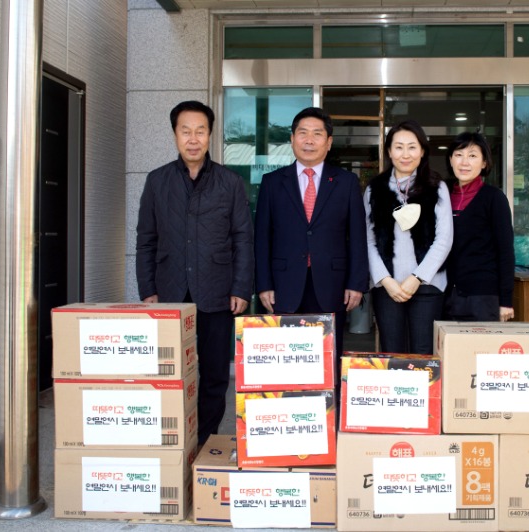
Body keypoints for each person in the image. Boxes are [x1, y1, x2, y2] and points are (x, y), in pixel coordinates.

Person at [136, 100, 253, 445]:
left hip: (217, 291)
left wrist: (241, 288)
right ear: (175, 135)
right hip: (169, 292)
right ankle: (173, 437)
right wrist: (147, 290)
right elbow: (146, 239)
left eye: (200, 131)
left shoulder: (230, 182)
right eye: (185, 131)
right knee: (169, 371)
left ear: (210, 135)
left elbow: (243, 239)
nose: (193, 139)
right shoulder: (157, 181)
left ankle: (204, 440)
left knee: (214, 373)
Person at [254, 106, 369, 369]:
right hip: (283, 285)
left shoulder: (346, 182)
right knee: (287, 360)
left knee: (327, 359)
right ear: (292, 139)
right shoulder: (272, 182)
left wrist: (356, 283)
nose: (309, 140)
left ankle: (329, 398)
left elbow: (357, 236)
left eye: (317, 134)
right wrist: (263, 284)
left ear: (328, 143)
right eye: (303, 133)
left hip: (331, 284)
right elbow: (262, 238)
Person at [364, 120, 453, 353]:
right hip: (387, 286)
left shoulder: (436, 187)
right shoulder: (374, 189)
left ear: (422, 151)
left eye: (412, 147)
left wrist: (417, 278)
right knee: (392, 350)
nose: (405, 154)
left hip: (428, 286)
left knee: (423, 352)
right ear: (389, 151)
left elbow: (444, 239)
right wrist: (386, 280)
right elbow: (368, 240)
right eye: (399, 147)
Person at [443, 132, 515, 322]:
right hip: (445, 294)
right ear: (450, 160)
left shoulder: (494, 198)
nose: (464, 162)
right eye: (459, 155)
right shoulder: (442, 196)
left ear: (484, 163)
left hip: (482, 296)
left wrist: (506, 301)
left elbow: (505, 252)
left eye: (473, 155)